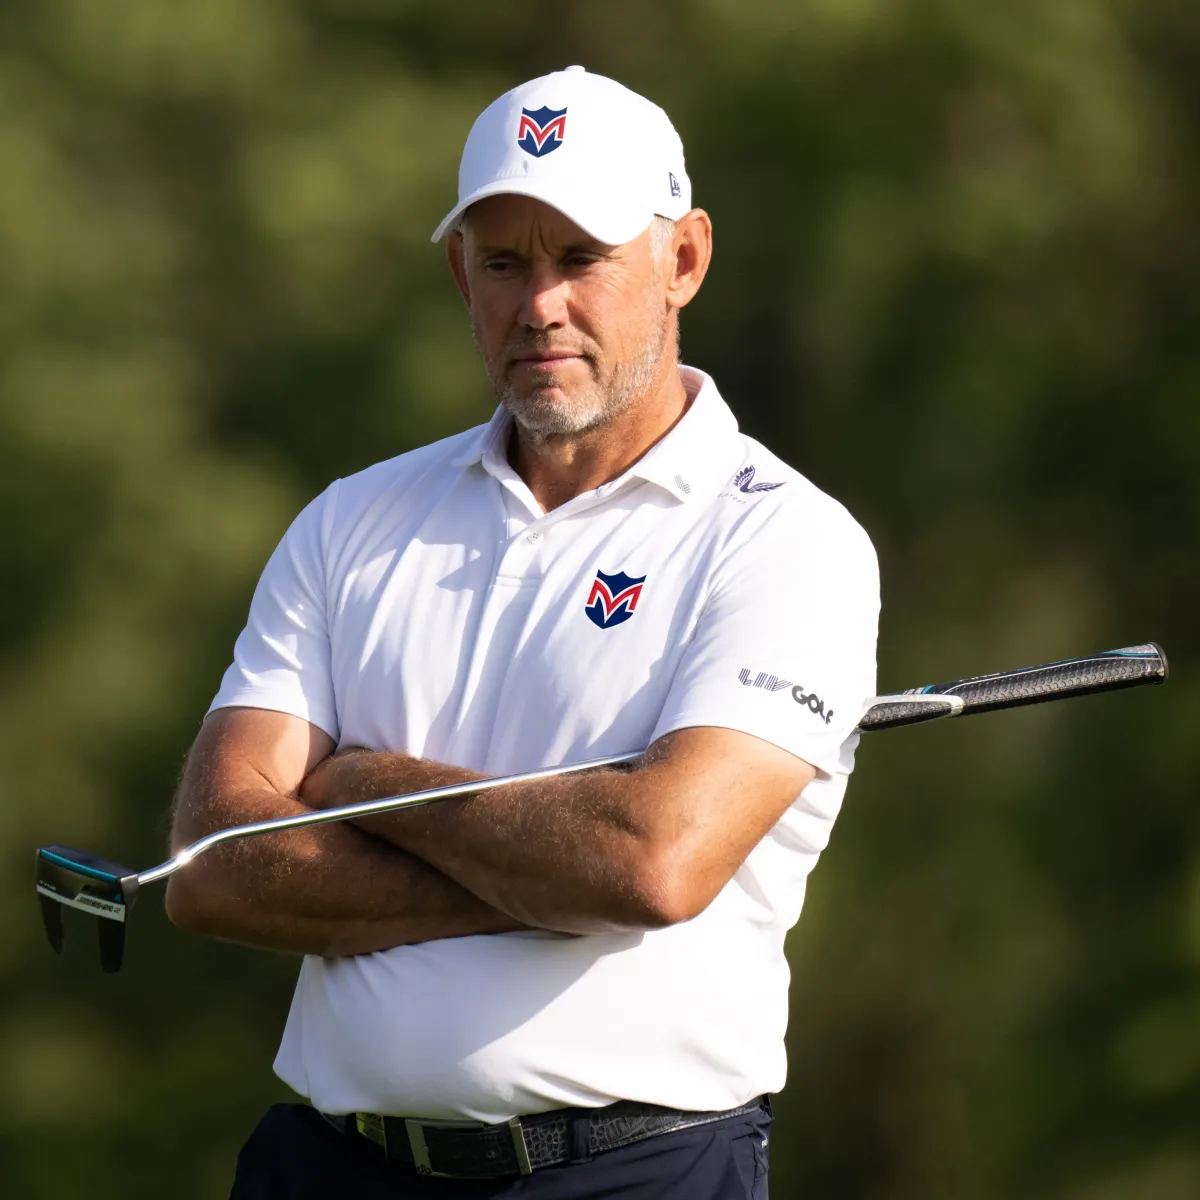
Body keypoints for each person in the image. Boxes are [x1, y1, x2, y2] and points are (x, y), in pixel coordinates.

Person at [166, 65, 879, 1199]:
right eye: (505, 263)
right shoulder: (353, 519)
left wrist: (364, 785)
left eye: (582, 258)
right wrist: (548, 874)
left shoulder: (789, 542)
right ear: (462, 273)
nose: (540, 302)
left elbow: (653, 862)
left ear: (682, 260)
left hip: (637, 1173)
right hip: (329, 1167)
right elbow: (209, 867)